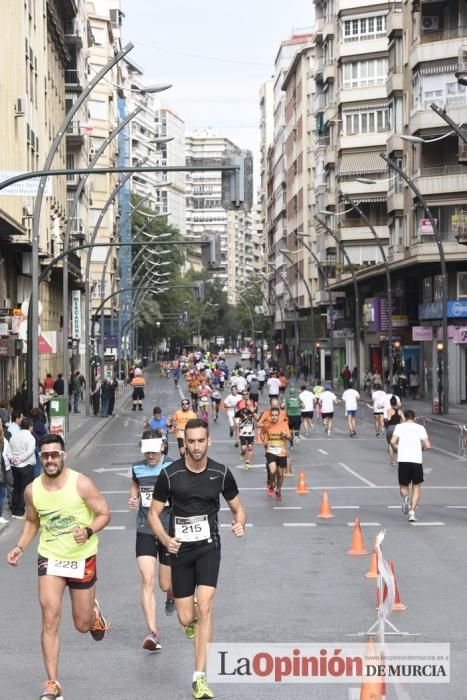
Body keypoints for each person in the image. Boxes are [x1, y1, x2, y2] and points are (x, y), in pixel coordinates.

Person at [6, 433, 111, 700]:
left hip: (81, 558)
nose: (50, 459)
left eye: (55, 454)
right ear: (40, 458)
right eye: (46, 455)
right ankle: (52, 683)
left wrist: (88, 531)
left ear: (64, 456)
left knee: (82, 625)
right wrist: (20, 547)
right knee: (49, 615)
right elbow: (32, 521)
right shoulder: (33, 490)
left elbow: (104, 514)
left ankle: (93, 614)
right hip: (50, 558)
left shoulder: (81, 484)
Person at [148, 419, 246, 700]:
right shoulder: (170, 475)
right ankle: (189, 619)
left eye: (201, 441)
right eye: (190, 442)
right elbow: (154, 514)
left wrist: (240, 523)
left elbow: (239, 509)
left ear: (208, 441)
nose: (196, 446)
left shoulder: (221, 472)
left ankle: (199, 677)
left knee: (205, 606)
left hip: (208, 547)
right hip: (179, 550)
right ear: (184, 443)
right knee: (185, 617)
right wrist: (165, 540)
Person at [128, 435, 174, 651]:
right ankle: (153, 633)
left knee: (164, 584)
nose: (151, 456)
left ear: (162, 448)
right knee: (147, 579)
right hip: (144, 529)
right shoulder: (137, 467)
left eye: (155, 451)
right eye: (147, 452)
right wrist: (133, 497)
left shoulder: (173, 466)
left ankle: (171, 593)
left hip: (167, 531)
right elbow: (135, 484)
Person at [391, 410, 431, 522]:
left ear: (404, 417)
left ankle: (405, 498)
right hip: (416, 460)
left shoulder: (399, 427)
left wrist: (396, 448)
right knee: (416, 487)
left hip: (403, 460)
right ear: (415, 418)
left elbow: (392, 441)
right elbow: (428, 445)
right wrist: (421, 448)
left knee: (403, 486)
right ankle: (412, 513)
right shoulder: (420, 428)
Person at [260, 406, 291, 501]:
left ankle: (278, 489)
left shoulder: (284, 425)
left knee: (280, 475)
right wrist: (264, 441)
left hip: (281, 452)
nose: (274, 417)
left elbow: (290, 438)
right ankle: (271, 483)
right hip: (271, 451)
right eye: (272, 415)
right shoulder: (266, 424)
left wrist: (285, 435)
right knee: (273, 471)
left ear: (278, 416)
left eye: (276, 415)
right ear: (270, 416)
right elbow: (261, 433)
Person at [9, 416, 37, 518]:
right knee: (24, 489)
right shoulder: (30, 437)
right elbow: (30, 451)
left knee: (16, 487)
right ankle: (20, 511)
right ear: (30, 426)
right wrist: (20, 459)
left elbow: (10, 448)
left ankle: (14, 510)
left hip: (14, 466)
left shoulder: (14, 436)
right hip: (26, 465)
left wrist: (14, 459)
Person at [235, 398, 258, 469]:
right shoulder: (241, 411)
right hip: (243, 433)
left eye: (250, 405)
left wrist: (253, 412)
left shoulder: (253, 411)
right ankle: (242, 453)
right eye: (247, 405)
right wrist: (237, 423)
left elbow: (258, 419)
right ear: (245, 405)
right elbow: (235, 417)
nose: (248, 406)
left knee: (250, 448)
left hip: (251, 433)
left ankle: (247, 462)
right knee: (244, 448)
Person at [385, 396, 405, 466]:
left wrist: (386, 420)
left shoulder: (389, 410)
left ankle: (392, 461)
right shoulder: (400, 411)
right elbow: (404, 420)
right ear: (396, 403)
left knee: (390, 444)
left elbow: (389, 419)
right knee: (398, 444)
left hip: (390, 428)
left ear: (390, 404)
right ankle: (399, 460)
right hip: (398, 429)